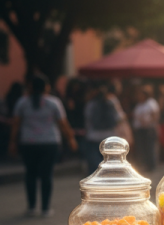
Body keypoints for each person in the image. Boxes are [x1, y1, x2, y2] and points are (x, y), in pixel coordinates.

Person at [10, 74, 77, 217]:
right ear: (46, 87)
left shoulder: (22, 102)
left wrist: (12, 142)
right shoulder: (53, 102)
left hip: (28, 143)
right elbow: (63, 123)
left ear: (30, 87)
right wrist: (71, 139)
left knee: (30, 174)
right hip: (50, 142)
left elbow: (16, 124)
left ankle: (31, 206)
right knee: (47, 175)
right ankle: (45, 208)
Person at [83, 82, 127, 174]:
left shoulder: (91, 104)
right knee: (110, 162)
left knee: (94, 164)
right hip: (110, 136)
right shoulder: (111, 102)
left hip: (93, 137)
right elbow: (119, 118)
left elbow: (87, 119)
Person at [131, 85, 160, 173]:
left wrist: (148, 122)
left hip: (148, 129)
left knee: (149, 148)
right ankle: (144, 165)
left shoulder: (151, 103)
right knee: (142, 148)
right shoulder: (139, 104)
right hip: (140, 130)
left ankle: (151, 166)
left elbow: (155, 115)